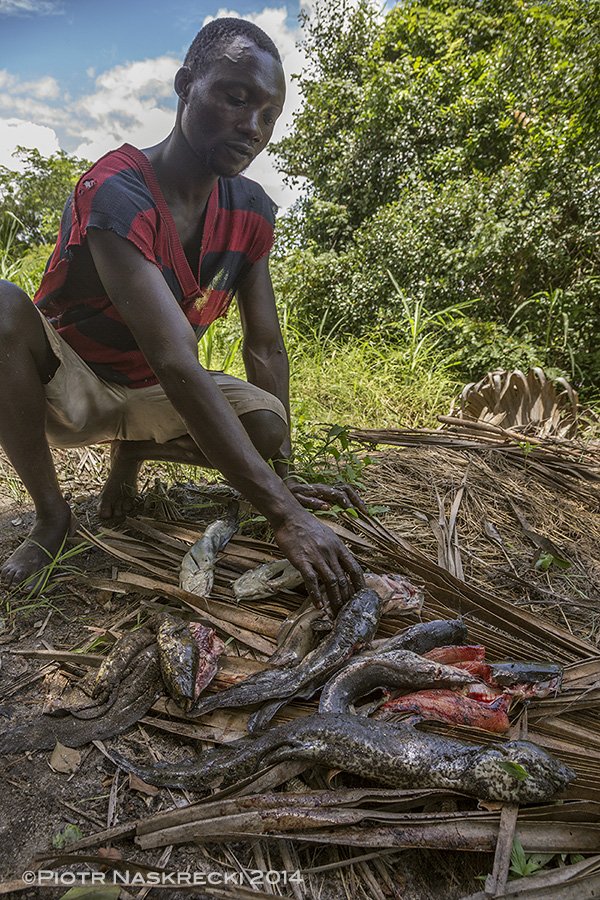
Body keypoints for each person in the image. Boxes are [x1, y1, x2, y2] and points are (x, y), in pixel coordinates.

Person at [0, 18, 364, 610]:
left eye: (269, 114)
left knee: (268, 426)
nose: (252, 127)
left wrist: (284, 475)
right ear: (185, 84)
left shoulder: (251, 213)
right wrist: (285, 514)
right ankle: (50, 516)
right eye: (236, 97)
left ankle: (133, 450)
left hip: (156, 393)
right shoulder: (118, 189)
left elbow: (265, 348)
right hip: (68, 384)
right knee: (0, 307)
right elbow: (175, 358)